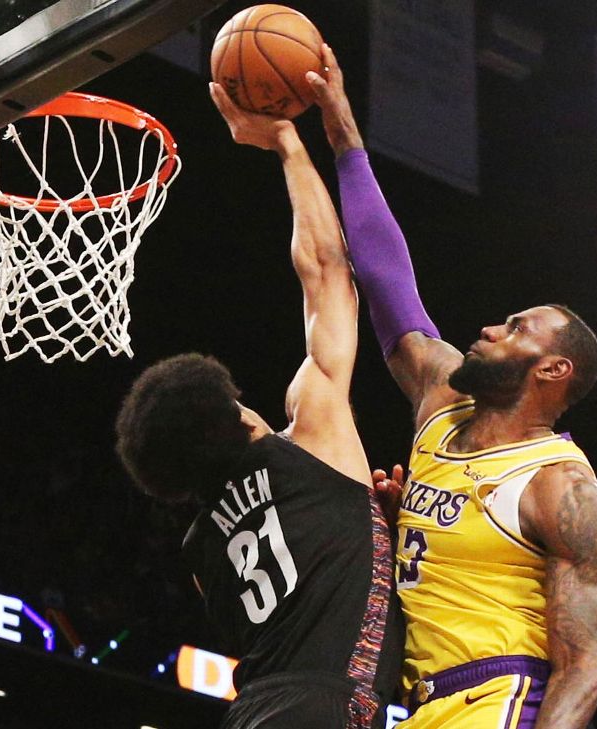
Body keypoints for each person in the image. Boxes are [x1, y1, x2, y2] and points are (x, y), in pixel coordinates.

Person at [305, 47, 597, 729]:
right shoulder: (442, 400)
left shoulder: (562, 490)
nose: (488, 328)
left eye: (515, 328)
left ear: (553, 369)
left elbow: (583, 666)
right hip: (423, 705)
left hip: (501, 698)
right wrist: (343, 136)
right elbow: (389, 281)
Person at [114, 82, 403, 728]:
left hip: (258, 710)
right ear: (238, 412)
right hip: (316, 709)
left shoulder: (202, 555)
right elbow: (329, 272)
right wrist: (286, 143)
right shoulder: (315, 426)